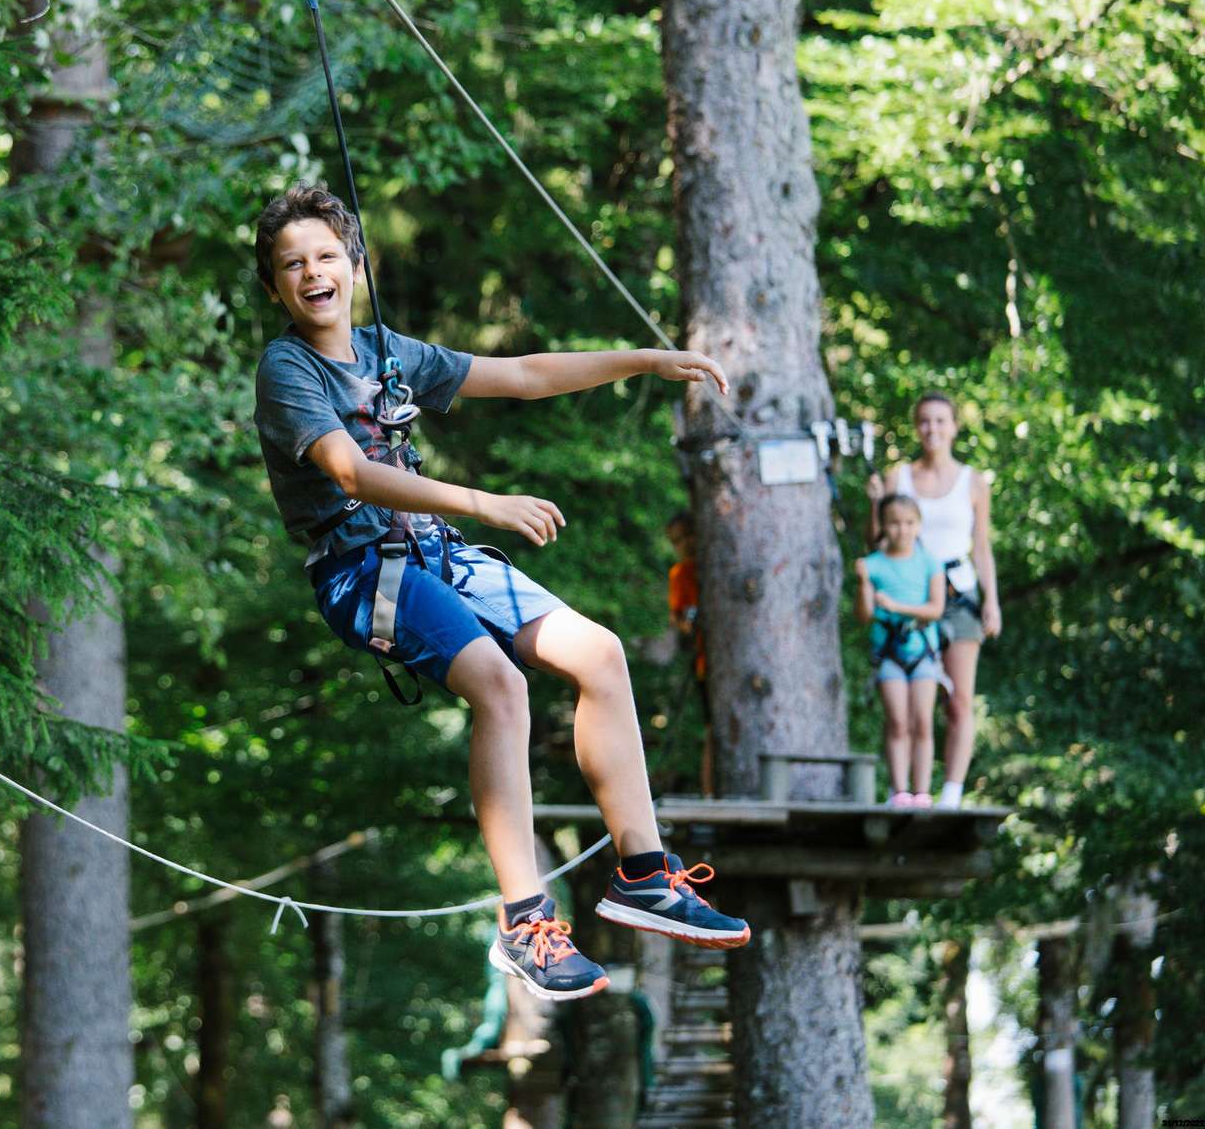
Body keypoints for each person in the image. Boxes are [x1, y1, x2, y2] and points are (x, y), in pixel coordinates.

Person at [249, 185, 750, 1004]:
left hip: (431, 552)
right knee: (501, 685)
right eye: (291, 265)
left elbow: (521, 374)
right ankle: (525, 923)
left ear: (356, 264)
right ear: (276, 288)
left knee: (599, 654)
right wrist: (486, 504)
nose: (312, 273)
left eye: (327, 256)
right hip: (362, 569)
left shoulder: (387, 351)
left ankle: (645, 876)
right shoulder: (287, 368)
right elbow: (351, 472)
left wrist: (646, 360)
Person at [867, 393, 1001, 807]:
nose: (933, 429)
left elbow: (981, 546)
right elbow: (876, 543)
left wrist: (991, 600)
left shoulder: (973, 482)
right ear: (916, 427)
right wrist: (874, 504)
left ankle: (953, 793)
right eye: (925, 421)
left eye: (941, 421)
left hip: (959, 594)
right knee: (905, 698)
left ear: (955, 426)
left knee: (959, 699)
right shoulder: (898, 479)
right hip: (911, 595)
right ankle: (904, 789)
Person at [855, 495, 949, 806]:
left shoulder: (929, 563)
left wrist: (896, 606)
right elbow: (864, 615)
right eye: (894, 523)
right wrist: (862, 585)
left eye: (909, 523)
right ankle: (899, 790)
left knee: (922, 720)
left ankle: (922, 791)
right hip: (889, 653)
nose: (902, 530)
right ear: (884, 526)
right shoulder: (872, 565)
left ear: (918, 525)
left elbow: (935, 609)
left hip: (922, 650)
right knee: (897, 721)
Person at [665, 513, 713, 797]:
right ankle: (710, 794)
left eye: (688, 535)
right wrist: (690, 624)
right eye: (677, 541)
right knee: (713, 727)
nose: (686, 544)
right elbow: (677, 618)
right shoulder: (681, 575)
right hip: (705, 662)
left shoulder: (716, 563)